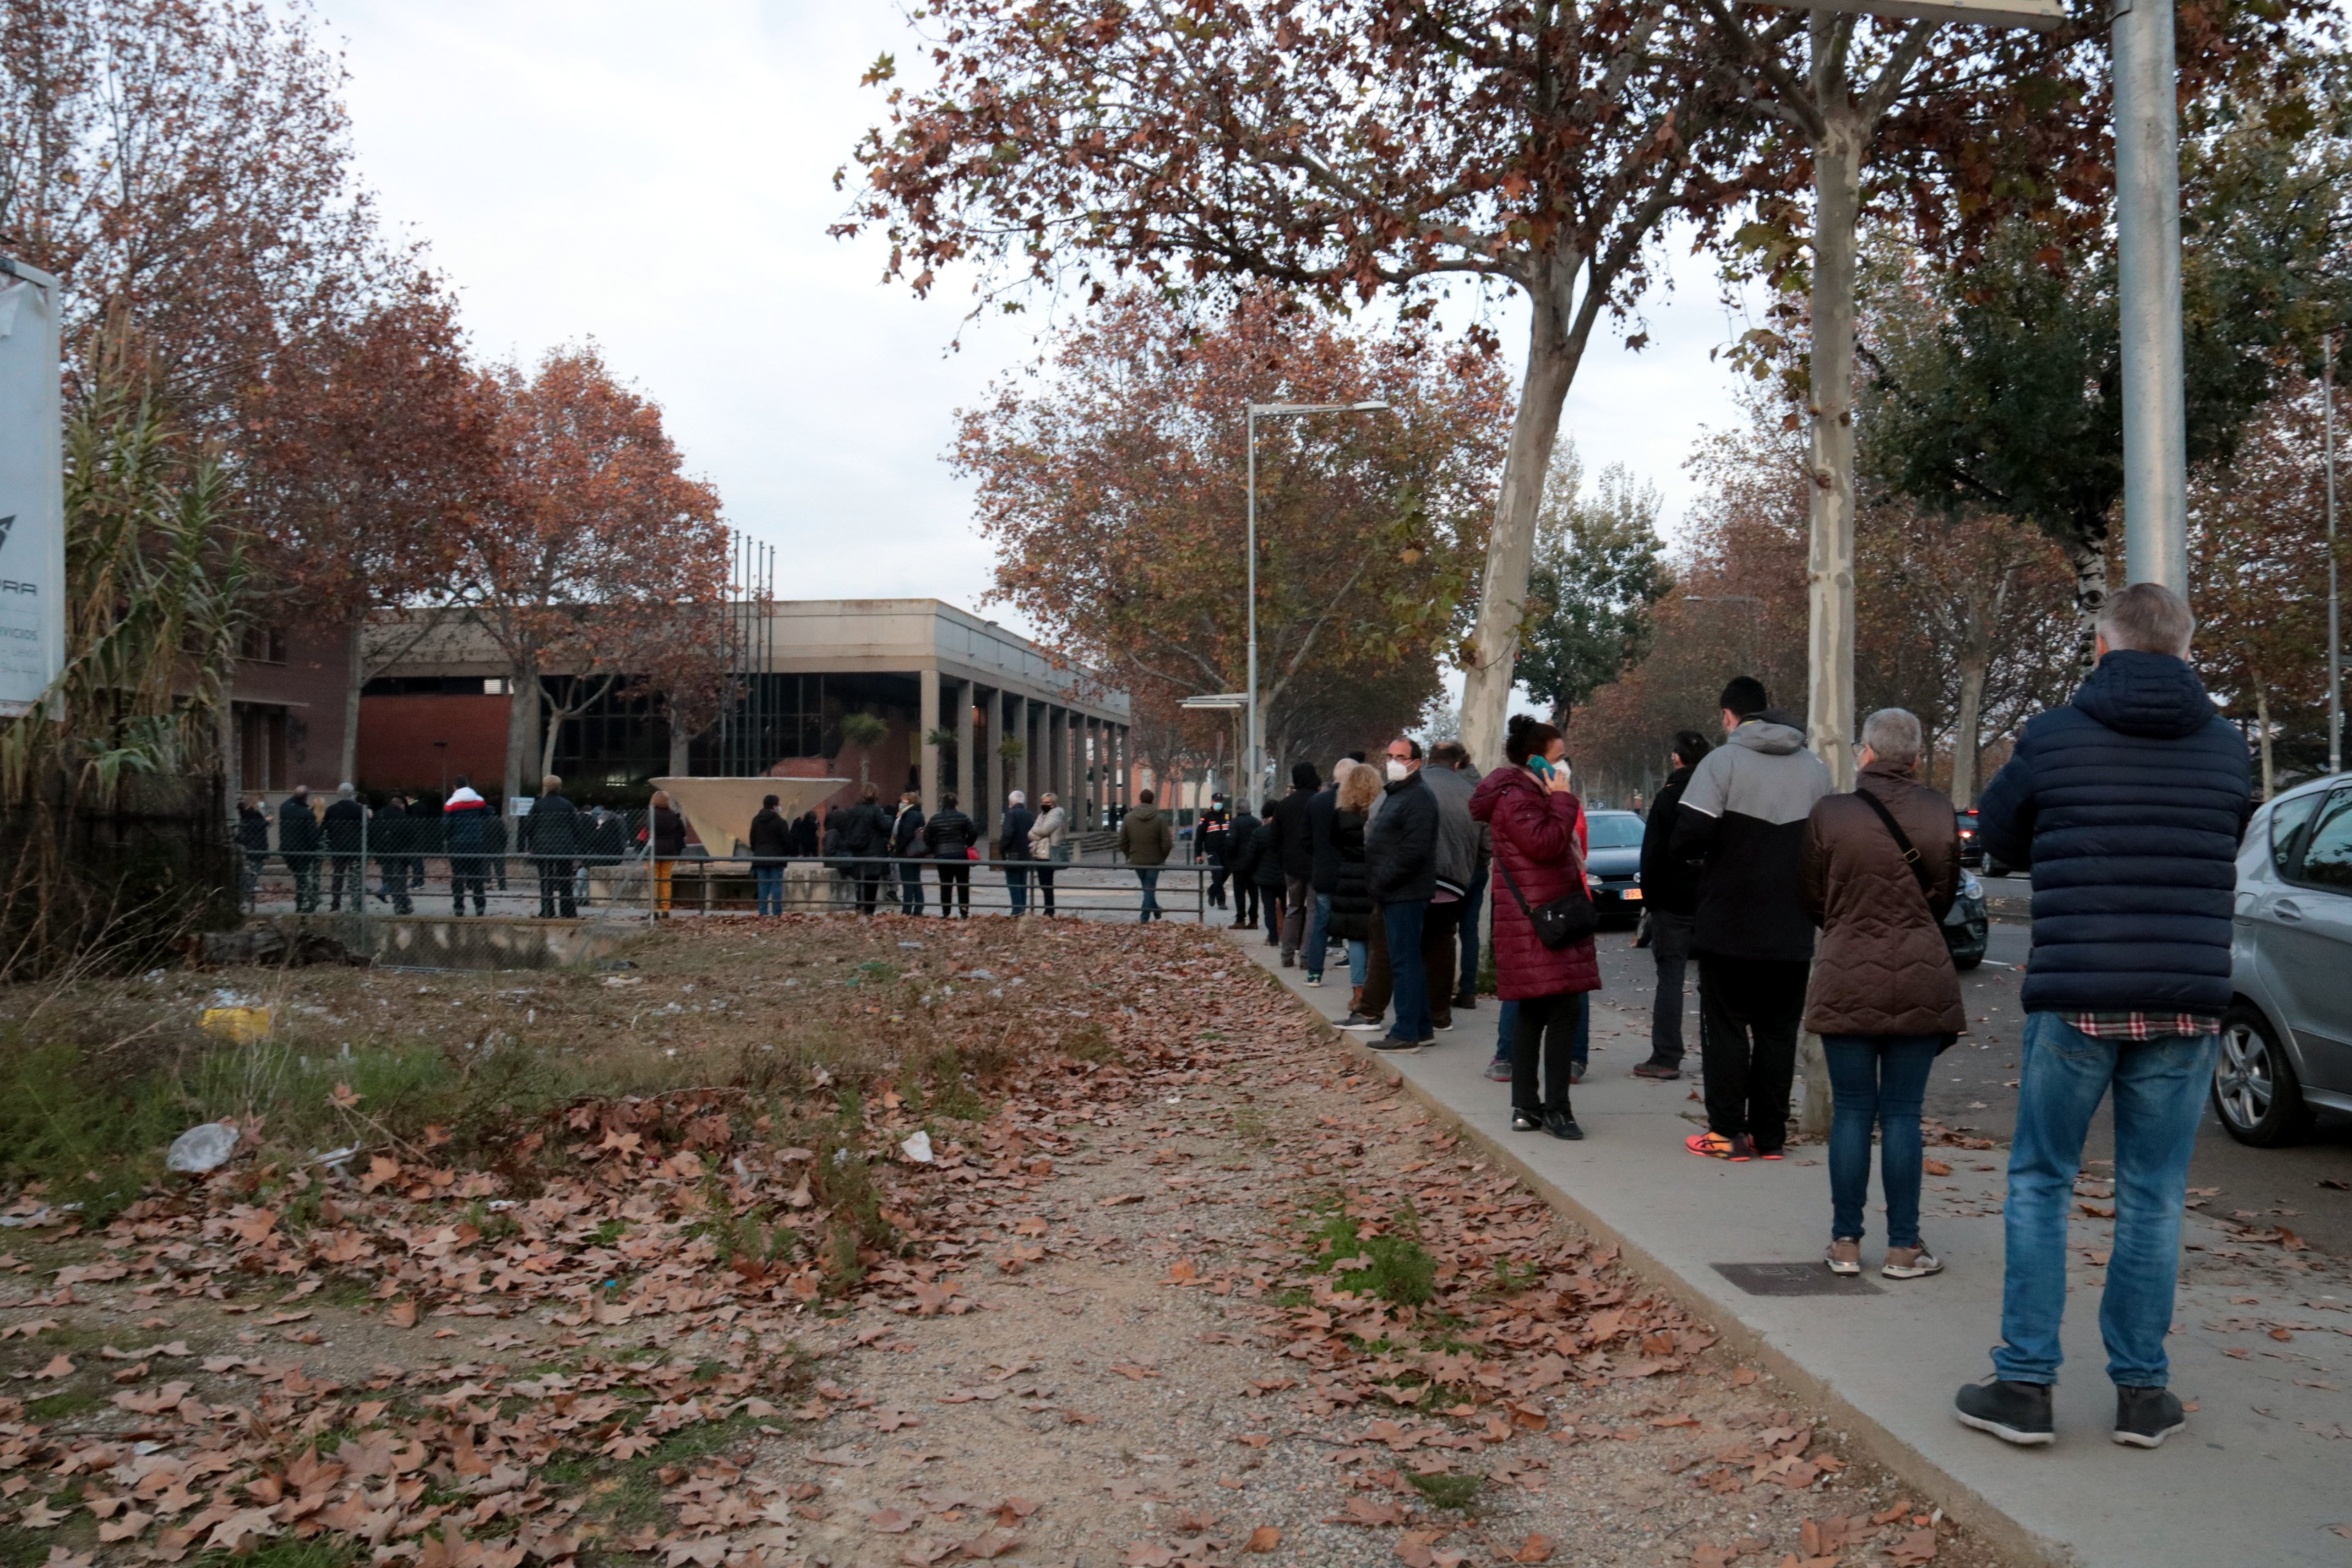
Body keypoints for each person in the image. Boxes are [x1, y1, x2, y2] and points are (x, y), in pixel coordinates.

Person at [1954, 582, 2251, 1451]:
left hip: (2081, 995)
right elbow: (2223, 840)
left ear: (2102, 649)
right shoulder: (2227, 748)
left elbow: (1999, 840)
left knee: (2042, 1182)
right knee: (2153, 1197)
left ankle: (2026, 1384)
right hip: (2187, 1004)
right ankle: (2142, 1395)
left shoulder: (2051, 738)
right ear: (2185, 648)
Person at [1801, 709, 1961, 1282]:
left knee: (1851, 1112)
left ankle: (1845, 1242)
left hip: (1846, 970)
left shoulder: (1831, 814)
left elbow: (1812, 896)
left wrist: (1847, 926)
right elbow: (1942, 893)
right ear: (1916, 756)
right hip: (1921, 974)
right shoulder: (1939, 810)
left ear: (1865, 751)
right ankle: (1903, 1247)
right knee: (1902, 1114)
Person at [1670, 677, 1833, 1161]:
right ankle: (1771, 1136)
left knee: (1725, 1028)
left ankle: (1727, 1134)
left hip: (1730, 924)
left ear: (1729, 716)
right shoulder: (1816, 770)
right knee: (1779, 1034)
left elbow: (1688, 838)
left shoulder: (1722, 763)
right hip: (1792, 928)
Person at [1471, 715, 1600, 1138]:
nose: (1564, 769)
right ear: (1537, 762)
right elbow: (1545, 844)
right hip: (1541, 923)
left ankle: (1528, 1107)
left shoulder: (1525, 792)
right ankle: (1553, 1109)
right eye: (1558, 760)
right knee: (1558, 1014)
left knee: (1535, 1014)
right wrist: (1563, 799)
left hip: (1543, 918)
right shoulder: (1519, 797)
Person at [1634, 729, 1712, 1080]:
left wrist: (1650, 901)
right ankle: (1717, 1054)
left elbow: (1651, 854)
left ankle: (1667, 1056)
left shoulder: (1667, 798)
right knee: (1713, 983)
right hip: (1712, 899)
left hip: (1671, 901)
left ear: (1676, 758)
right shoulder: (1718, 794)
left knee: (1670, 978)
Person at [1364, 737, 1440, 1052]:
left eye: (1401, 757)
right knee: (1410, 961)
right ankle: (1421, 1027)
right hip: (1396, 890)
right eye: (1390, 755)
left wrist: (1382, 880)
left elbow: (1413, 851)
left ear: (1416, 763)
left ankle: (1406, 1032)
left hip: (1405, 891)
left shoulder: (1418, 797)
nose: (1393, 762)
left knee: (1404, 963)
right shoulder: (1399, 793)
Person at [1419, 744, 1479, 1031]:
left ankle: (1413, 1010)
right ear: (1457, 765)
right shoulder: (1471, 793)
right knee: (1446, 940)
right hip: (1456, 881)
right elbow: (1488, 842)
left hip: (1414, 880)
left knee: (1412, 943)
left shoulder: (1410, 786)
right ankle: (1442, 1010)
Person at [1431, 742, 1488, 1015]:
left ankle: (1437, 992)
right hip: (1476, 869)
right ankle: (1468, 990)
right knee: (1470, 930)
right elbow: (1489, 840)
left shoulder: (1439, 787)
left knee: (1442, 932)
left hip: (1448, 871)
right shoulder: (1479, 790)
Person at [1328, 762, 1380, 1018]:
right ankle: (1375, 990)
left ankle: (1358, 991)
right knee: (1376, 938)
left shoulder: (1341, 815)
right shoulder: (1379, 812)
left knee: (1356, 940)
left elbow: (1334, 842)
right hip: (1374, 876)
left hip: (1349, 878)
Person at [1303, 761, 1349, 986]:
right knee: (1358, 927)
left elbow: (1305, 839)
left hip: (1323, 870)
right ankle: (1360, 977)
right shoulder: (1355, 803)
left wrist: (1319, 853)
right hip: (1351, 873)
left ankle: (1314, 973)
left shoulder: (1317, 801)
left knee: (1321, 924)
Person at [1271, 764, 1320, 966]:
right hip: (1315, 865)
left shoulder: (1284, 805)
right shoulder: (1318, 802)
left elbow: (1274, 838)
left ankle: (1287, 954)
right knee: (1313, 910)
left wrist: (1283, 859)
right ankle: (1307, 956)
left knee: (1293, 908)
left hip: (1291, 865)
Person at [525, 775, 582, 918]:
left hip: (543, 847)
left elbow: (528, 827)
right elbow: (576, 827)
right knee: (565, 880)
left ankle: (547, 910)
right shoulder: (567, 805)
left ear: (545, 787)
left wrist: (533, 841)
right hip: (564, 847)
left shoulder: (538, 806)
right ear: (560, 787)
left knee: (546, 880)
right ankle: (568, 911)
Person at [1116, 787, 1174, 921]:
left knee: (1147, 888)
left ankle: (1153, 910)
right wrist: (1162, 856)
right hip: (1155, 859)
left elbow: (1121, 841)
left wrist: (1129, 854)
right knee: (1149, 888)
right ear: (1153, 801)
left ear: (1140, 800)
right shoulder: (1160, 818)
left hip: (1136, 858)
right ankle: (1145, 918)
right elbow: (1167, 842)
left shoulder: (1129, 818)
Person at [835, 784, 892, 917]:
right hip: (874, 852)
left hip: (857, 851)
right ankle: (869, 911)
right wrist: (891, 819)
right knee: (872, 884)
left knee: (860, 882)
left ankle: (859, 907)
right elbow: (885, 826)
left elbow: (847, 830)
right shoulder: (877, 811)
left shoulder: (853, 811)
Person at [923, 791, 978, 916]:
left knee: (945, 885)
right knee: (963, 885)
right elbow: (974, 832)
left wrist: (935, 848)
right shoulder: (963, 817)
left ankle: (946, 913)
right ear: (955, 804)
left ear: (942, 803)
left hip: (942, 855)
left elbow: (927, 837)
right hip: (960, 855)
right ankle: (964, 913)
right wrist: (967, 844)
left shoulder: (935, 818)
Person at [443, 778, 493, 916]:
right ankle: (480, 906)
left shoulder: (451, 803)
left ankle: (459, 907)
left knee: (458, 877)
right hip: (476, 843)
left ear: (455, 787)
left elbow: (446, 825)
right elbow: (487, 817)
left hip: (458, 845)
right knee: (477, 876)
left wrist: (450, 838)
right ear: (468, 785)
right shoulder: (479, 801)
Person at [323, 783, 366, 912]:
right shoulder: (359, 810)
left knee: (338, 875)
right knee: (355, 877)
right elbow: (366, 828)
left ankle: (336, 903)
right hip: (355, 847)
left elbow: (326, 828)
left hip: (338, 847)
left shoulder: (331, 810)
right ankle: (356, 903)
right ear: (352, 794)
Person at [643, 789, 687, 917]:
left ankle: (655, 910)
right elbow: (681, 831)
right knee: (666, 880)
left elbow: (642, 826)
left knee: (654, 880)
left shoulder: (651, 814)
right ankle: (666, 909)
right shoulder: (673, 815)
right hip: (669, 850)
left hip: (653, 851)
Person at [279, 787, 323, 913]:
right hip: (303, 850)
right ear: (306, 797)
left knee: (299, 876)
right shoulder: (307, 814)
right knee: (303, 877)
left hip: (287, 849)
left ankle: (304, 902)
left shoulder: (284, 808)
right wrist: (314, 848)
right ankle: (306, 902)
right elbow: (312, 836)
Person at [750, 793, 791, 916]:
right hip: (777, 857)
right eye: (778, 805)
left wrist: (756, 851)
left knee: (763, 884)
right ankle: (777, 912)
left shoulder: (756, 820)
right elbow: (786, 840)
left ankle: (763, 911)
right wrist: (787, 853)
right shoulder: (780, 822)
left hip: (760, 856)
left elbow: (752, 839)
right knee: (776, 884)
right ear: (774, 806)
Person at [1223, 799, 1262, 929]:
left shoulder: (1235, 823)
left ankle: (1240, 919)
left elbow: (1231, 842)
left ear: (1237, 809)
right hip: (1254, 863)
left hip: (1239, 863)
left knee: (1240, 892)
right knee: (1254, 892)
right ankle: (1254, 919)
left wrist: (1229, 858)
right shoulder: (1257, 822)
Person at [1027, 792, 1066, 916]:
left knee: (1047, 883)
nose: (1044, 804)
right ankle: (1048, 909)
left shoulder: (1056, 814)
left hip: (1048, 853)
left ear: (1053, 804)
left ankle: (1049, 910)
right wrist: (1038, 834)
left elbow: (1045, 830)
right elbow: (1030, 833)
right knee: (1043, 883)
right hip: (1040, 853)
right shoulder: (1042, 815)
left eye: (1047, 803)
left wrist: (1036, 834)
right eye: (1042, 802)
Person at [999, 790, 1036, 916]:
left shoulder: (1011, 814)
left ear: (1011, 802)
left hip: (1013, 853)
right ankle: (1022, 908)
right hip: (1026, 853)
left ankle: (1016, 909)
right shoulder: (1029, 815)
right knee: (1022, 882)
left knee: (1013, 882)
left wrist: (1002, 848)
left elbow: (1008, 833)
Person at [892, 791, 930, 916]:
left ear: (909, 802)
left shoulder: (909, 815)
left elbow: (906, 834)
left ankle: (907, 909)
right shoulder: (918, 814)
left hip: (907, 852)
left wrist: (899, 848)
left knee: (908, 881)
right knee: (915, 879)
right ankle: (919, 907)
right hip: (916, 852)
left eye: (903, 801)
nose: (901, 804)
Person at [1197, 794, 1233, 909]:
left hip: (1227, 851)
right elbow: (1199, 837)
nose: (1218, 802)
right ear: (1212, 802)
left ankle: (1212, 891)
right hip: (1213, 850)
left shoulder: (1228, 815)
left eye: (1220, 801)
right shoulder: (1206, 817)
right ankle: (1221, 902)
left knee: (1226, 873)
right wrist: (1198, 854)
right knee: (1217, 875)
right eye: (1216, 800)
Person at [237, 796, 271, 908]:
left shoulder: (248, 814)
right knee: (257, 865)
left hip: (255, 844)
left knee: (256, 864)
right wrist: (266, 822)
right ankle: (251, 884)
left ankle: (251, 884)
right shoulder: (252, 815)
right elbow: (256, 827)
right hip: (256, 844)